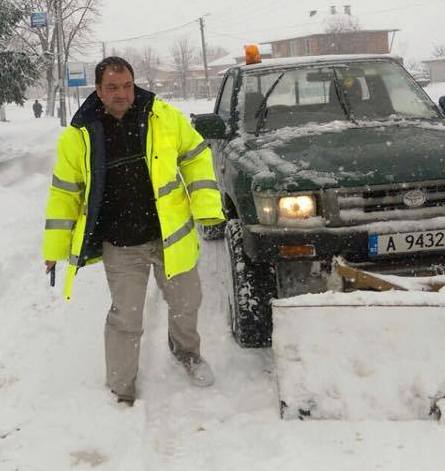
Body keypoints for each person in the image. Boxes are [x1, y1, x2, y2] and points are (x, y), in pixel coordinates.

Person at [42, 56, 225, 405]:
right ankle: (120, 387)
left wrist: (205, 207)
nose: (121, 94)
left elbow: (196, 154)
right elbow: (65, 193)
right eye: (112, 87)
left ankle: (187, 353)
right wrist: (53, 249)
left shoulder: (163, 116)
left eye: (126, 85)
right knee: (126, 316)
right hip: (121, 245)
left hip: (170, 236)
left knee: (187, 303)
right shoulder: (79, 135)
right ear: (98, 90)